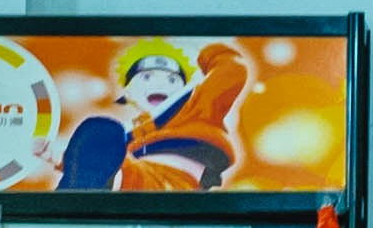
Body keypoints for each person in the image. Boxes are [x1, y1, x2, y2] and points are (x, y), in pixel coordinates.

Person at [56, 38, 251, 193]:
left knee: (103, 133)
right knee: (99, 131)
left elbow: (231, 71)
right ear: (128, 92)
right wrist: (59, 159)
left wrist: (210, 53)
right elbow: (93, 167)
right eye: (147, 77)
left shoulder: (194, 108)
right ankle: (68, 205)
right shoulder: (132, 134)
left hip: (170, 183)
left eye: (172, 79)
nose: (160, 85)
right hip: (132, 177)